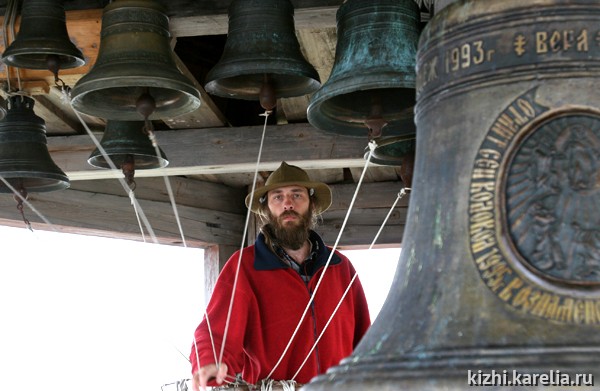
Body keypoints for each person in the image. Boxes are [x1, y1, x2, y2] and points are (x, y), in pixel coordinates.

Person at [189, 161, 371, 390]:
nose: (288, 204)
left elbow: (365, 339)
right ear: (267, 208)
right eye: (278, 197)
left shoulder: (340, 267)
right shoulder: (244, 266)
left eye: (297, 195)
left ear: (311, 204)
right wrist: (209, 362)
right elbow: (216, 332)